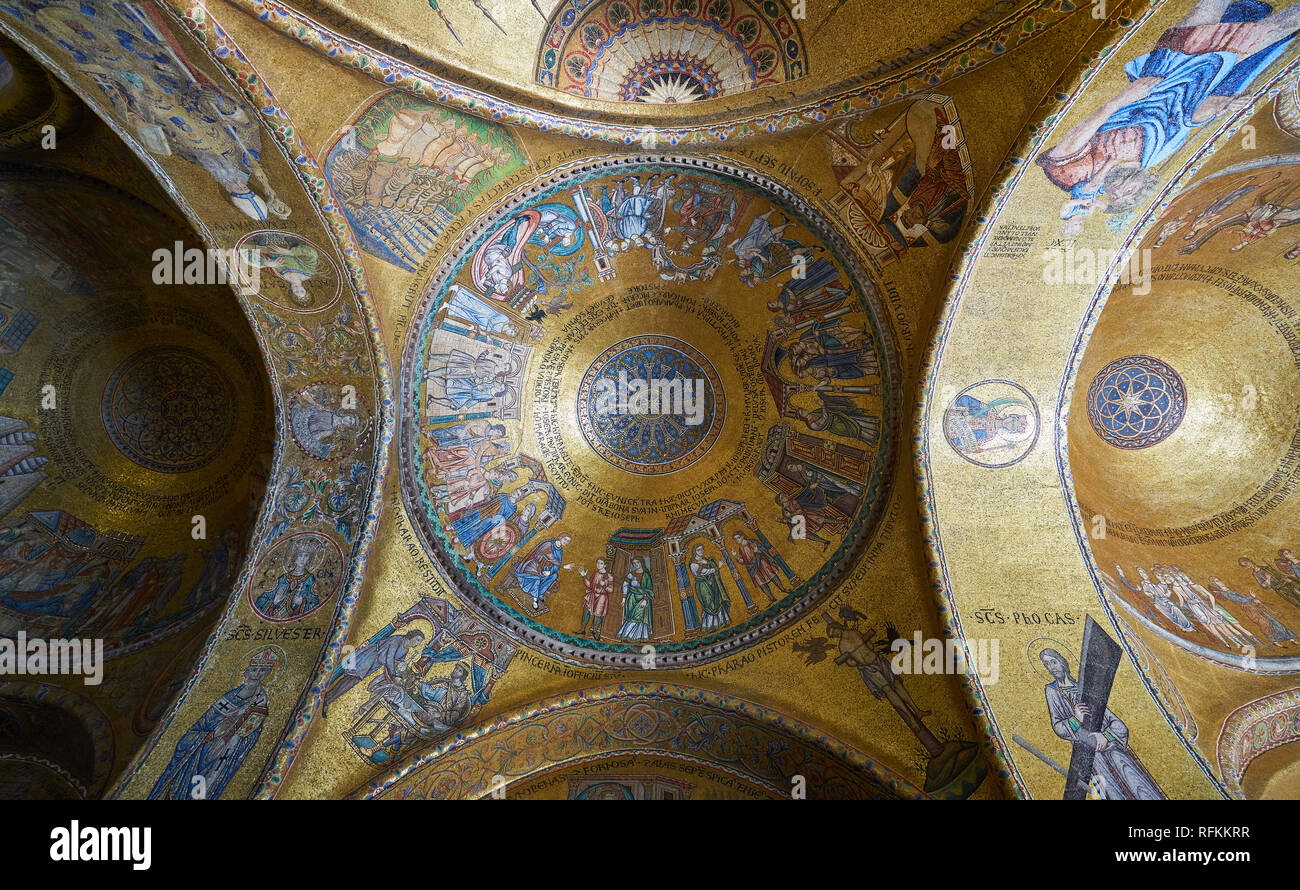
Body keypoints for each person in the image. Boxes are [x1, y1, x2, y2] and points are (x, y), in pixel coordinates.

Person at [1039, 647, 1165, 799]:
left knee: (1137, 783)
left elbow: (1117, 723)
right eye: (1046, 664)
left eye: (1054, 662)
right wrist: (1076, 719)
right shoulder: (1052, 691)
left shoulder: (1084, 688)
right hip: (1091, 755)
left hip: (1112, 747)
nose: (1051, 667)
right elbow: (1058, 727)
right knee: (1113, 791)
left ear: (1062, 662)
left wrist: (1105, 736)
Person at [149, 648, 276, 799]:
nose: (257, 674)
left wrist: (231, 736)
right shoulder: (229, 696)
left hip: (223, 756)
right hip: (201, 749)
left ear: (268, 674)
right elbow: (200, 725)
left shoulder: (260, 701)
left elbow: (251, 733)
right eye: (254, 669)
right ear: (246, 672)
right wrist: (203, 737)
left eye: (262, 671)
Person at [731, 532, 788, 604]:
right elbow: (744, 562)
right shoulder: (740, 549)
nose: (736, 540)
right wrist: (735, 555)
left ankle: (783, 589)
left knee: (771, 575)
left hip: (761, 561)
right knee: (761, 583)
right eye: (735, 539)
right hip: (752, 568)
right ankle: (771, 598)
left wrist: (757, 550)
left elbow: (762, 548)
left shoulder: (752, 542)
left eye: (738, 538)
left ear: (742, 536)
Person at [689, 544, 730, 630]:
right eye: (699, 550)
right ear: (694, 552)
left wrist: (709, 563)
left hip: (712, 584)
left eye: (702, 549)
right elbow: (703, 572)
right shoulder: (693, 564)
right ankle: (710, 626)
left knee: (717, 601)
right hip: (703, 586)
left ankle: (722, 622)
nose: (701, 551)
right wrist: (717, 567)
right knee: (709, 604)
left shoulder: (705, 560)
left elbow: (710, 565)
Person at [617, 558, 654, 641]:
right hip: (631, 599)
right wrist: (623, 599)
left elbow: (649, 589)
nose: (636, 564)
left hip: (642, 599)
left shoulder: (646, 575)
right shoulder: (630, 575)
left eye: (638, 562)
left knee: (640, 617)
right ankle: (626, 636)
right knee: (631, 617)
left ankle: (638, 637)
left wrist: (645, 599)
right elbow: (625, 586)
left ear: (641, 563)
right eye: (634, 563)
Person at [578, 558, 614, 640]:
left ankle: (594, 632)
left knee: (597, 614)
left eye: (601, 563)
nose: (598, 565)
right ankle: (582, 629)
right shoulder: (595, 574)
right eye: (597, 563)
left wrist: (603, 585)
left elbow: (611, 590)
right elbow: (590, 585)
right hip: (592, 595)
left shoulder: (609, 576)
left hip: (602, 597)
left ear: (605, 565)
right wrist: (583, 576)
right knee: (586, 611)